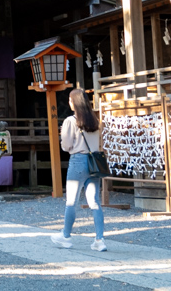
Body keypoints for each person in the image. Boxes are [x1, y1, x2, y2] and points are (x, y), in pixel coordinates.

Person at [51, 88, 106, 252]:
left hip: (78, 160)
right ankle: (99, 240)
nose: (69, 102)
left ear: (74, 102)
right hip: (94, 162)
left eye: (70, 100)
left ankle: (66, 236)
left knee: (71, 201)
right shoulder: (95, 120)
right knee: (94, 201)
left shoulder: (70, 121)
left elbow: (67, 146)